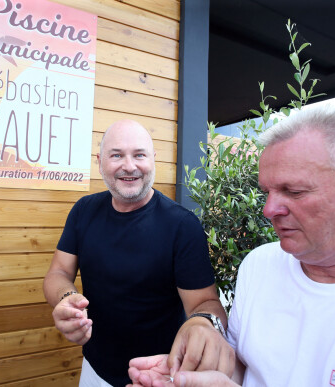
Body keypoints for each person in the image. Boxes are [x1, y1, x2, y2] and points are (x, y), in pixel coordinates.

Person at [126, 104, 335, 387]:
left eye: (294, 191)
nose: (269, 209)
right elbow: (243, 368)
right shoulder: (259, 264)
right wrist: (196, 378)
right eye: (267, 192)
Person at [43, 119, 235, 386]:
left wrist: (204, 324)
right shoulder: (83, 210)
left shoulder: (182, 226)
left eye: (139, 155)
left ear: (153, 159)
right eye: (117, 155)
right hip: (93, 368)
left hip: (156, 375)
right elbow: (58, 273)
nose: (129, 166)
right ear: (100, 161)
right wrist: (67, 300)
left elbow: (206, 303)